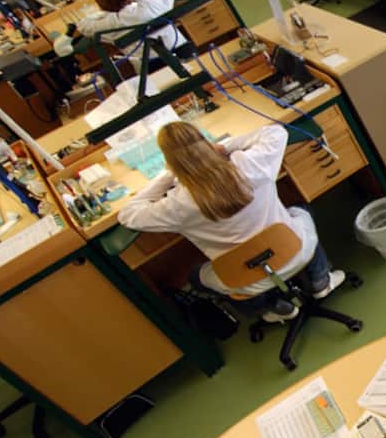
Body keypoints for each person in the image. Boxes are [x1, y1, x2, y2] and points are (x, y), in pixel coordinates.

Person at [118, 123, 345, 322]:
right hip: (295, 251)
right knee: (299, 211)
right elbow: (276, 132)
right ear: (204, 143)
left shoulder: (177, 205)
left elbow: (128, 214)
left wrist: (168, 174)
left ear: (170, 161)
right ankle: (320, 281)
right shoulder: (248, 165)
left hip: (247, 280)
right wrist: (224, 147)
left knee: (196, 277)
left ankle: (273, 307)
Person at [72, 0, 190, 70]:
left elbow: (82, 25)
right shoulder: (151, 6)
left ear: (103, 8)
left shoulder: (110, 24)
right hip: (184, 52)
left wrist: (103, 14)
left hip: (150, 68)